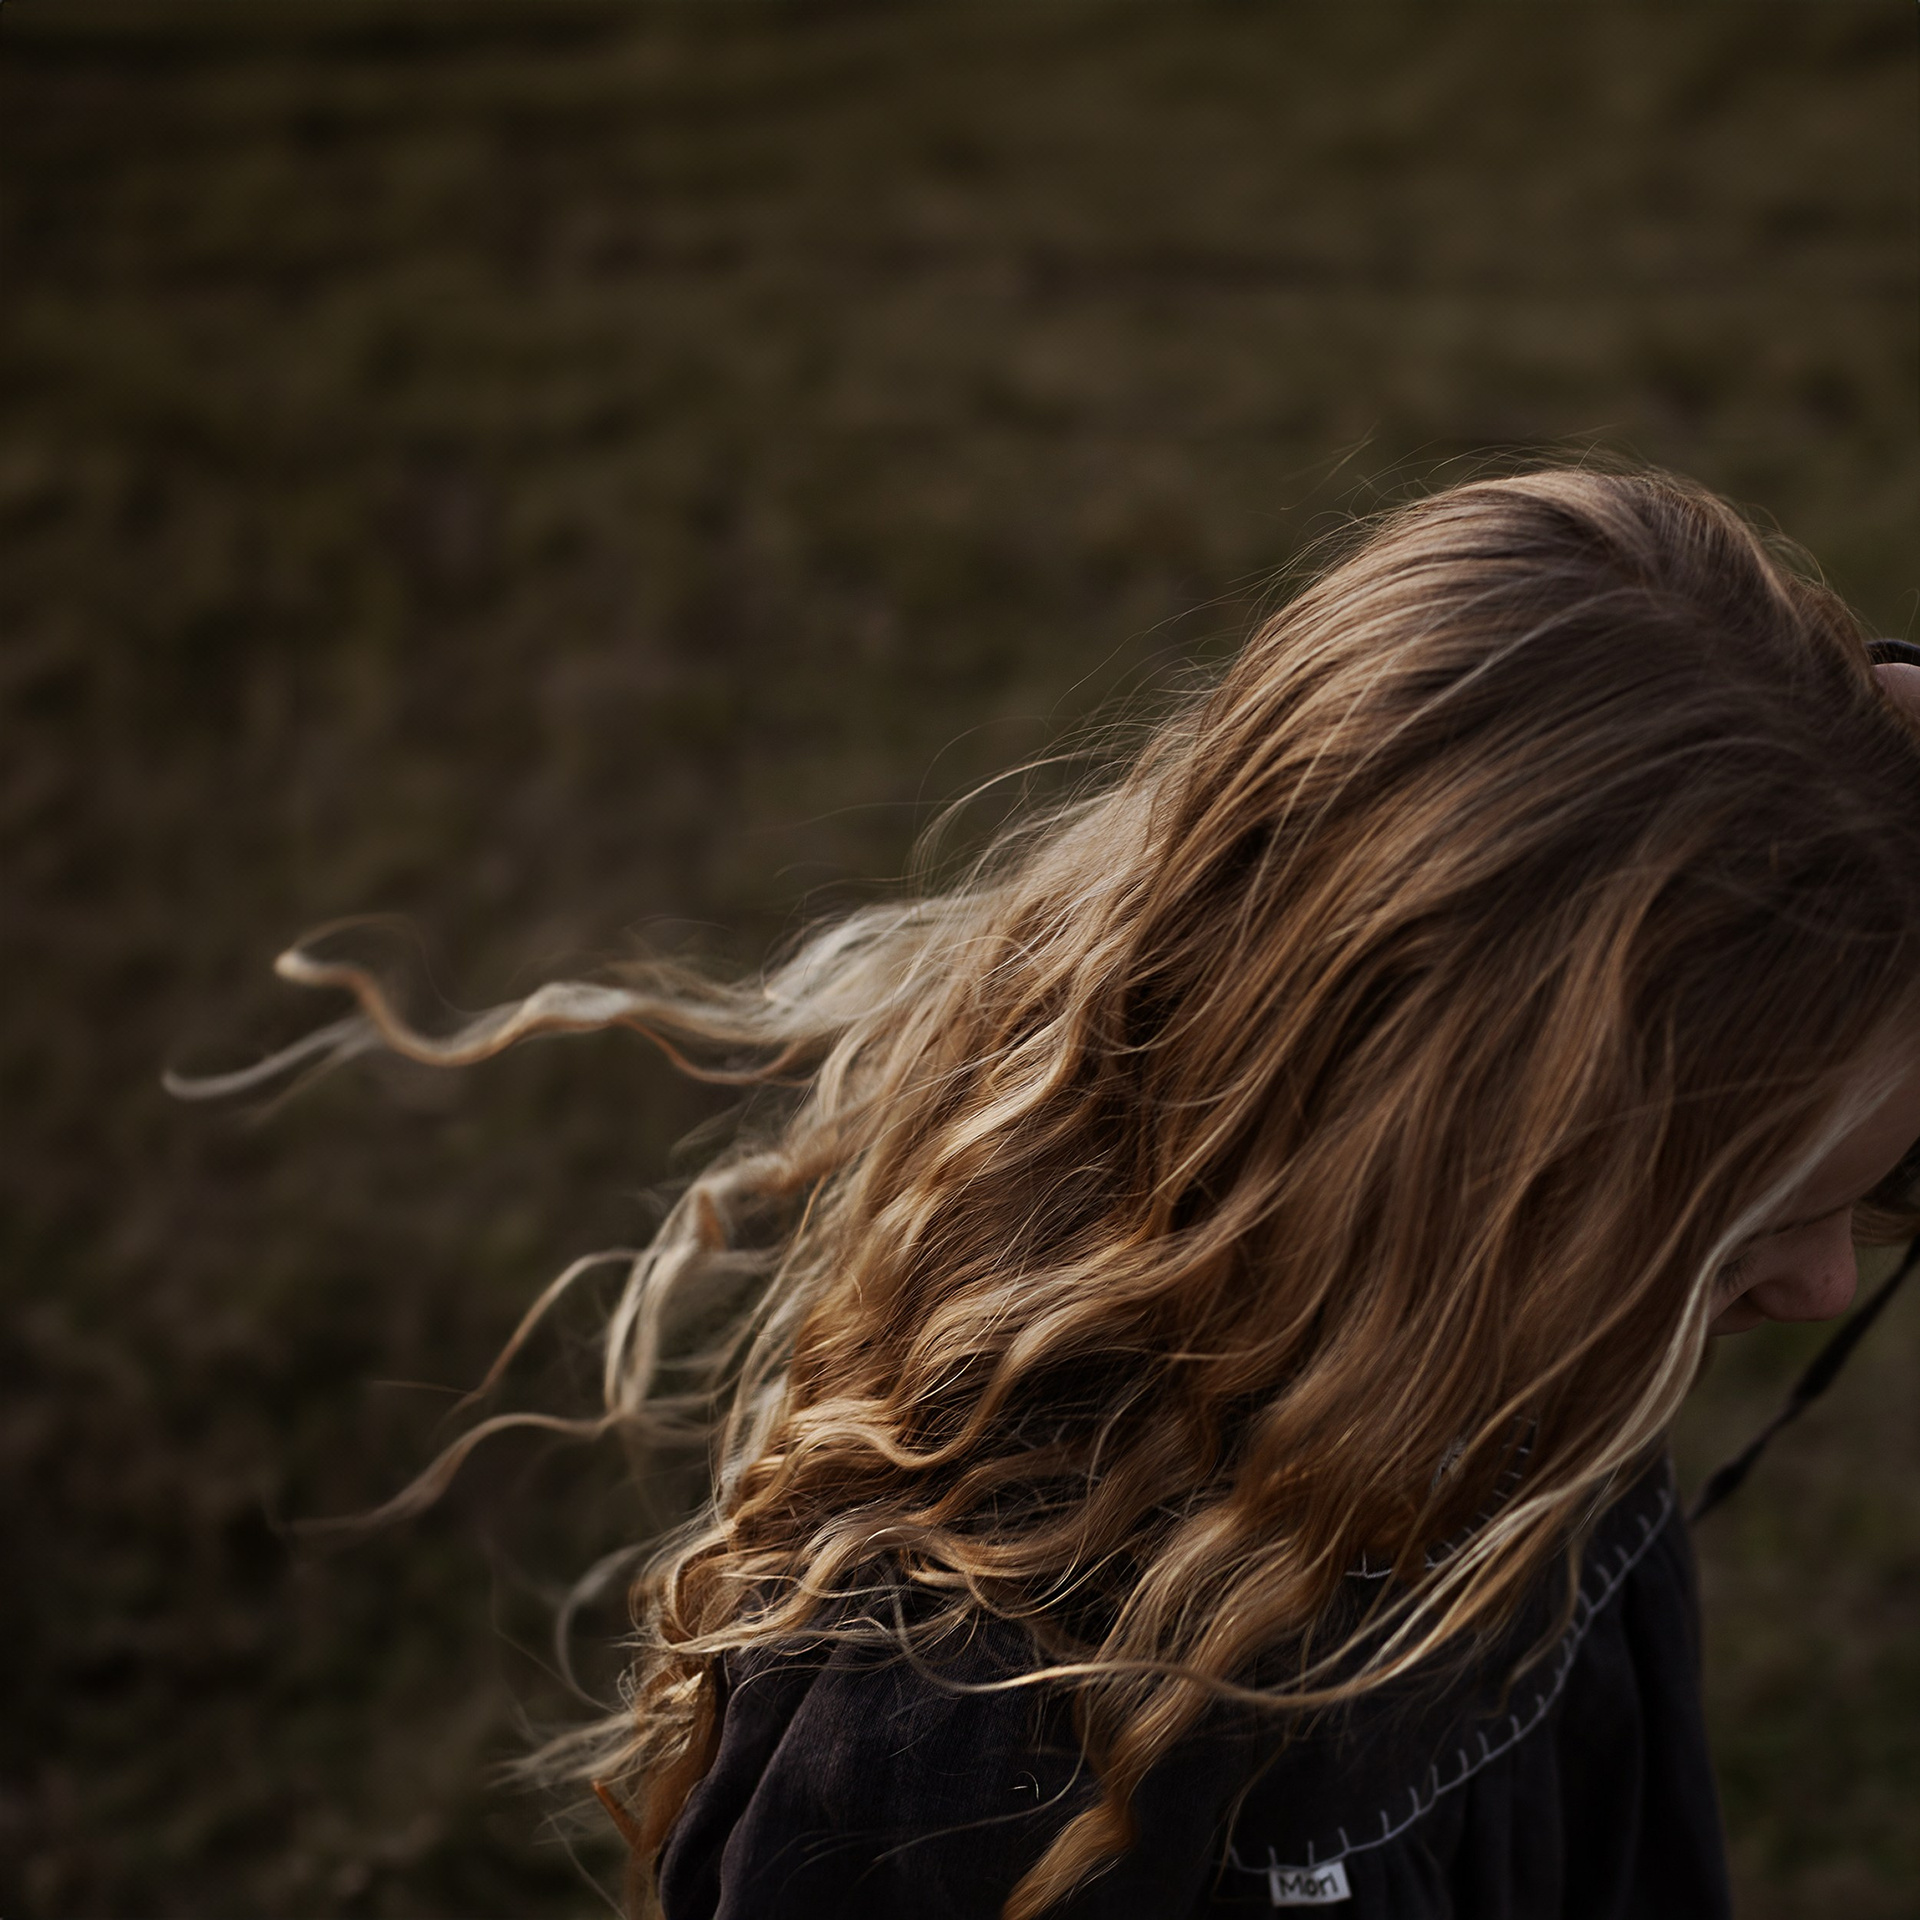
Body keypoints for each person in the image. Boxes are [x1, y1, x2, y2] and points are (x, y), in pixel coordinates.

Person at [200, 466, 1920, 1917]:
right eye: (1733, 1231)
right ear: (1425, 1171)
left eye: (1888, 1190)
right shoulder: (966, 1752)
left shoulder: (1536, 1401)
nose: (1828, 1289)